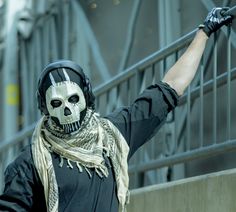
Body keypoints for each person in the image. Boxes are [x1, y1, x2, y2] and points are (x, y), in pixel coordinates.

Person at [0, 7, 233, 212]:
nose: (67, 110)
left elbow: (170, 88)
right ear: (45, 108)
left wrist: (204, 33)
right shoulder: (29, 163)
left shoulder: (112, 136)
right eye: (56, 104)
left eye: (73, 99)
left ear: (86, 96)